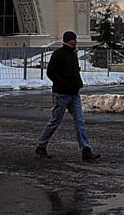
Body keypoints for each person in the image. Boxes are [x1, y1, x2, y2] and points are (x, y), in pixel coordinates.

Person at [35, 31, 100, 162]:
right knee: (55, 121)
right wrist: (63, 84)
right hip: (62, 94)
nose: (75, 41)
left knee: (79, 120)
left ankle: (85, 150)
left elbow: (75, 72)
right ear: (68, 40)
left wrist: (78, 83)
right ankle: (41, 145)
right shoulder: (59, 54)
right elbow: (51, 72)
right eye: (73, 39)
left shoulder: (72, 55)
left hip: (73, 94)